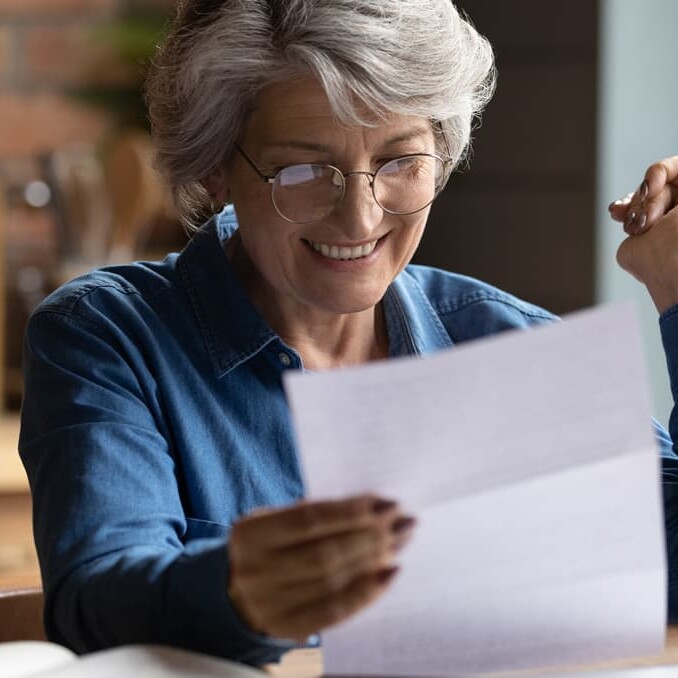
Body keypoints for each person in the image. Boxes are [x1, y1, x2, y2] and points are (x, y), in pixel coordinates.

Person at [18, 0, 678, 666]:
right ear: (217, 167)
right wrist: (238, 592)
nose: (359, 217)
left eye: (400, 163)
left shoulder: (512, 346)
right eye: (302, 171)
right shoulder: (107, 336)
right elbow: (93, 607)